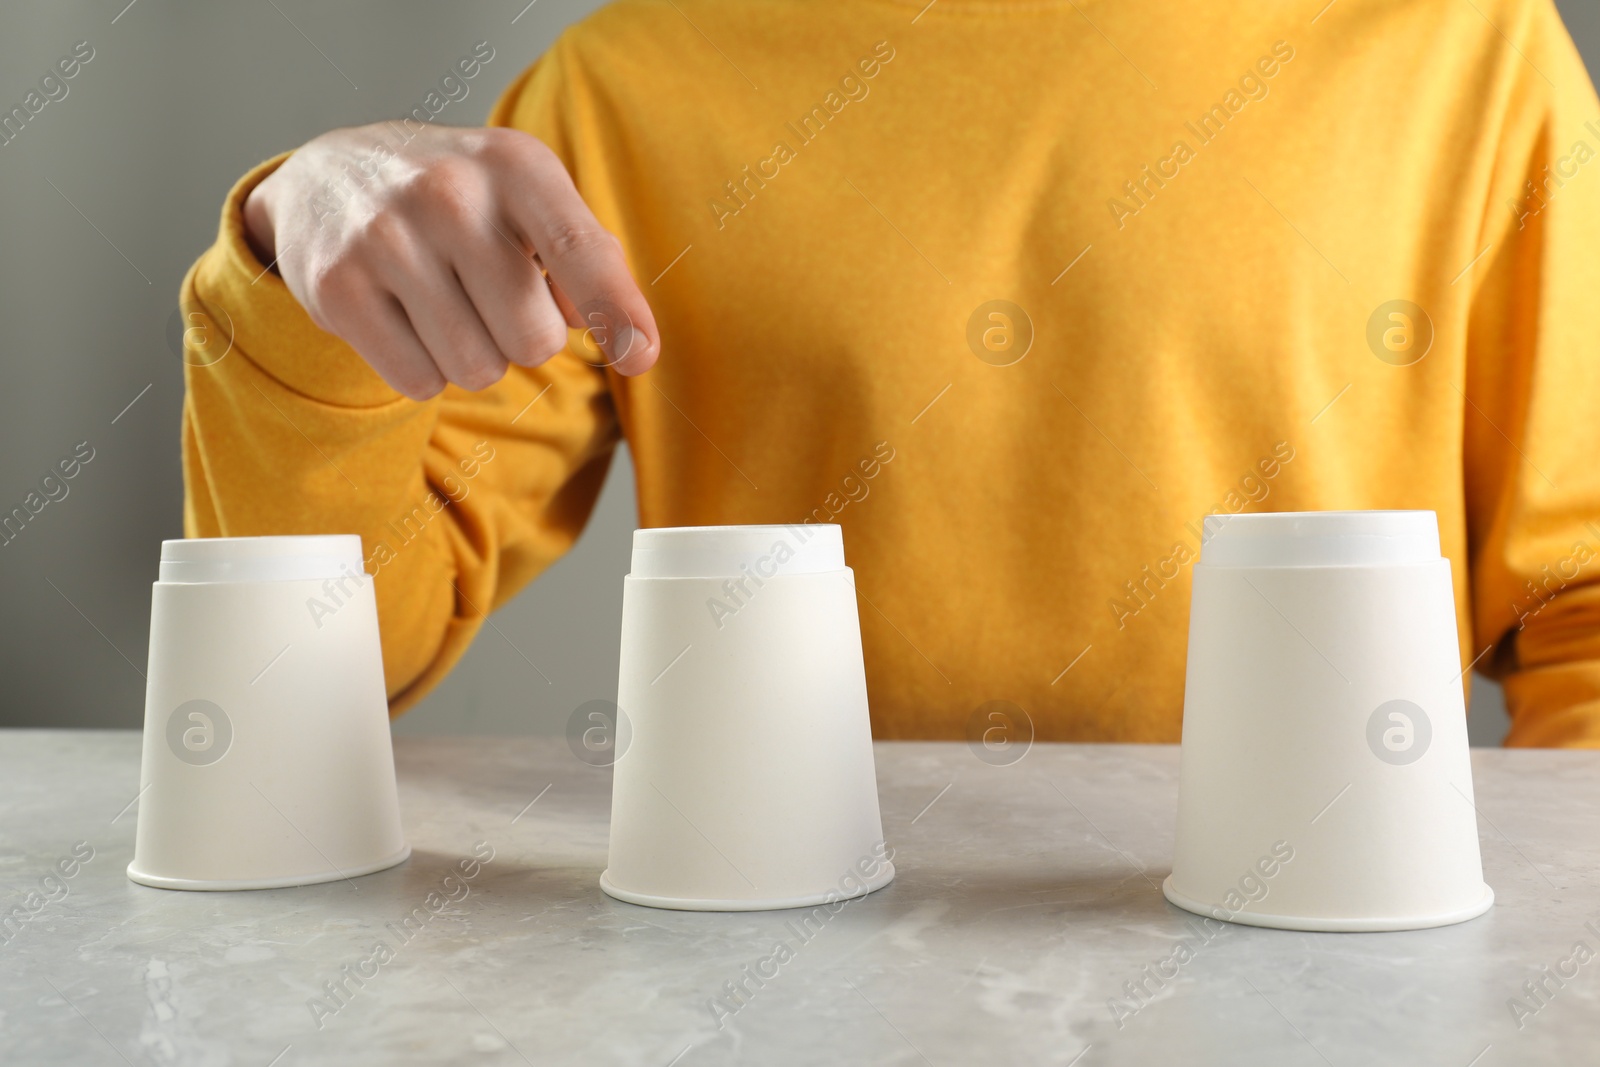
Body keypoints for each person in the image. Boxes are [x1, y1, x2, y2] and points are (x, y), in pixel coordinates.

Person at [178, 0, 1600, 745]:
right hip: (771, 959)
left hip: (1339, 968)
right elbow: (319, 666)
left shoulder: (1470, 48)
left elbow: (1584, 620)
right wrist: (288, 251)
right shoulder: (625, 83)